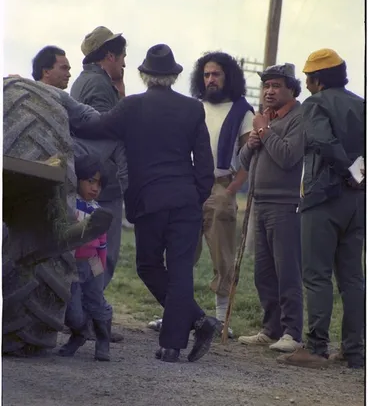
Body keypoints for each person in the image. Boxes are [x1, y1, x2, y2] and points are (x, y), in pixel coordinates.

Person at [84, 43, 221, 363]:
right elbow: (204, 163)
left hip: (149, 202)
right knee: (180, 271)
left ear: (144, 75)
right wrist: (196, 197)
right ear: (173, 76)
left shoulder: (131, 106)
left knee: (148, 266)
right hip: (185, 199)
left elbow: (93, 127)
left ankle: (195, 326)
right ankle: (178, 341)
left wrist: (60, 108)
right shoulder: (192, 109)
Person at [148, 51, 254, 336]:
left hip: (221, 185)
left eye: (216, 74)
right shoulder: (191, 107)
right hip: (187, 185)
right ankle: (173, 314)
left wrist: (232, 189)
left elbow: (249, 156)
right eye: (206, 74)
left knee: (223, 254)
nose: (210, 79)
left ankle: (220, 321)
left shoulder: (242, 110)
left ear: (227, 77)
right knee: (180, 252)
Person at [277, 49, 365, 369]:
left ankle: (316, 348)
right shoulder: (361, 104)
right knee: (353, 278)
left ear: (317, 79)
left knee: (317, 276)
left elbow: (324, 143)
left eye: (307, 77)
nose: (306, 83)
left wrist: (349, 170)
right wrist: (360, 175)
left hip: (321, 199)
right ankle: (355, 351)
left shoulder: (315, 104)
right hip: (358, 202)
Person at [238, 63, 304, 353]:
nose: (269, 91)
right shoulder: (265, 120)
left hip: (285, 204)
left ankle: (292, 332)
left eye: (276, 85)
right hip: (259, 203)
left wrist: (263, 132)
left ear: (291, 89)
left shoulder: (298, 118)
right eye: (266, 86)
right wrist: (252, 143)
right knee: (263, 272)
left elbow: (288, 156)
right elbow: (242, 163)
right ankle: (270, 328)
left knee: (286, 270)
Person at [71, 26, 128, 290]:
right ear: (109, 56)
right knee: (104, 256)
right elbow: (107, 131)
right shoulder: (99, 85)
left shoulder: (85, 80)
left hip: (89, 181)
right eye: (122, 56)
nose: (125, 63)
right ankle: (93, 316)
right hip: (103, 185)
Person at [59, 154, 113, 361]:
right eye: (90, 181)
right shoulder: (70, 207)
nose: (95, 188)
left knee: (96, 301)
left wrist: (99, 271)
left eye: (99, 184)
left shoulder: (99, 212)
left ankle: (103, 340)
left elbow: (103, 244)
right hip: (72, 264)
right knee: (73, 310)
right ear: (77, 178)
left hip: (92, 263)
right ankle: (79, 333)